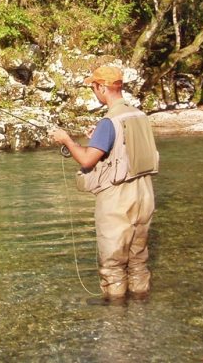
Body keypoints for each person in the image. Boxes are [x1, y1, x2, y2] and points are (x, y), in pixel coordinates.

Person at [49, 64, 156, 300]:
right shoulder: (139, 115)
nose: (93, 92)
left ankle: (115, 325)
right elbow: (128, 149)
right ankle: (141, 316)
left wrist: (66, 140)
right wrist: (97, 136)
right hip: (145, 195)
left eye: (94, 88)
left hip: (118, 201)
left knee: (113, 267)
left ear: (102, 88)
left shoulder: (109, 122)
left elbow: (87, 160)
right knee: (138, 262)